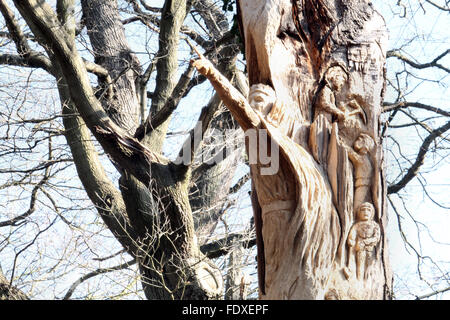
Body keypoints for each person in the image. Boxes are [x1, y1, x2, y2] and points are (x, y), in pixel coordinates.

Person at [346, 202, 380, 280]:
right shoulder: (357, 225)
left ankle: (367, 282)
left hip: (370, 249)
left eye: (368, 210)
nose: (365, 212)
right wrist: (351, 240)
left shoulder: (375, 225)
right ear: (359, 212)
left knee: (369, 268)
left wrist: (366, 242)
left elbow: (376, 237)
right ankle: (359, 280)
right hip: (360, 248)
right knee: (360, 266)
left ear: (372, 213)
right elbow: (353, 233)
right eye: (363, 210)